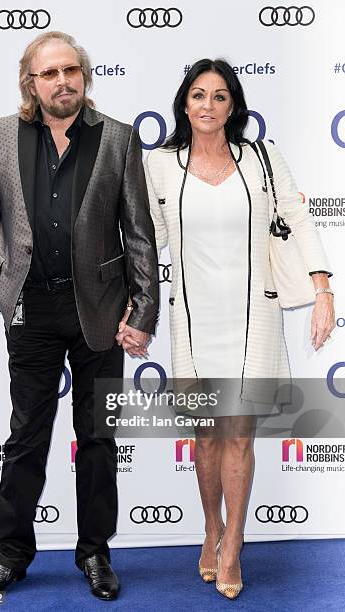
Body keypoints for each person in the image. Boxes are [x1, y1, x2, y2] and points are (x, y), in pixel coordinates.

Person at [0, 31, 158, 601]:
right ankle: (11, 554)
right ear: (31, 82)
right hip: (30, 308)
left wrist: (143, 309)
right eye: (49, 73)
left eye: (70, 70)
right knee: (26, 435)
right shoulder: (4, 134)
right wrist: (2, 286)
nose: (62, 81)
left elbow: (139, 233)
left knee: (98, 438)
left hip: (99, 310)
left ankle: (95, 552)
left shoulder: (118, 139)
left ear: (85, 76)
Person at [144, 58, 335, 599]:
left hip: (257, 314)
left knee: (240, 433)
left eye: (220, 96)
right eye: (199, 94)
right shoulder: (159, 165)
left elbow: (298, 222)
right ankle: (210, 528)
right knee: (206, 435)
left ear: (234, 105)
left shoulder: (263, 159)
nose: (208, 105)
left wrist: (323, 290)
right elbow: (144, 240)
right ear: (184, 103)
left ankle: (234, 544)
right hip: (194, 318)